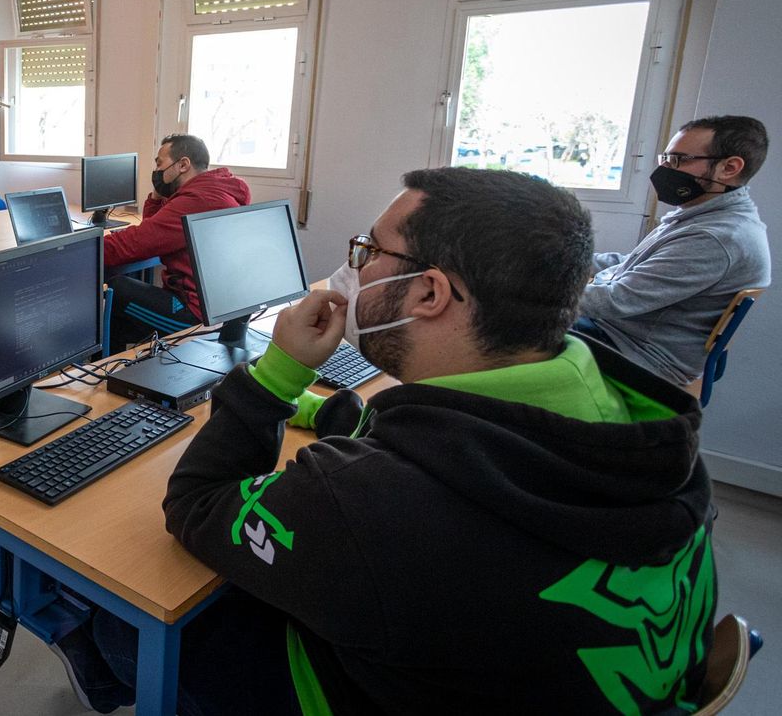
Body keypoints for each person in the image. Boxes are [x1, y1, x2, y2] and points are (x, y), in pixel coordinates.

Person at [53, 168, 715, 715]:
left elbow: (197, 504)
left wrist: (277, 375)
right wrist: (336, 414)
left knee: (139, 608)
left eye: (367, 253)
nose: (354, 270)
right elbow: (466, 450)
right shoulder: (645, 430)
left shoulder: (365, 505)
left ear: (429, 291)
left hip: (349, 691)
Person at [577, 115, 770, 385]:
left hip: (637, 355)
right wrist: (564, 261)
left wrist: (530, 289)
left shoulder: (716, 238)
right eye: (665, 158)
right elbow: (632, 264)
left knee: (518, 321)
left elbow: (616, 301)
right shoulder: (705, 217)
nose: (665, 169)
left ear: (729, 168)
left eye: (678, 160)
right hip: (621, 335)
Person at [102, 134, 250, 348]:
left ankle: (101, 366)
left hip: (199, 318)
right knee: (123, 316)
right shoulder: (213, 191)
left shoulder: (198, 201)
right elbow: (153, 231)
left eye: (159, 164)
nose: (157, 172)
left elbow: (135, 243)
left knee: (116, 289)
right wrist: (157, 195)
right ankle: (123, 365)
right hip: (217, 309)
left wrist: (84, 251)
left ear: (183, 165)